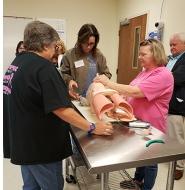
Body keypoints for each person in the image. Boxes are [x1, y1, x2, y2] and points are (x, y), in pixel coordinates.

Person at [3, 21, 113, 190]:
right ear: (45, 44)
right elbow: (62, 110)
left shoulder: (15, 65)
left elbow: (33, 96)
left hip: (24, 145)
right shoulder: (43, 68)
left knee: (31, 186)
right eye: (55, 46)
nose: (55, 51)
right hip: (41, 149)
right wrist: (92, 127)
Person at [94, 39, 174, 190]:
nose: (139, 57)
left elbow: (137, 92)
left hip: (152, 126)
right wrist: (118, 102)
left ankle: (146, 188)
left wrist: (108, 84)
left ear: (155, 54)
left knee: (150, 160)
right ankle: (137, 180)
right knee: (140, 154)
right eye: (139, 53)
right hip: (137, 121)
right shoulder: (144, 72)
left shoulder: (164, 75)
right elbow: (130, 91)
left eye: (143, 54)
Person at [60, 23, 112, 99]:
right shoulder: (69, 55)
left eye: (91, 44)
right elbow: (64, 73)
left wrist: (102, 78)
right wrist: (69, 80)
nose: (88, 47)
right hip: (76, 98)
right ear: (80, 41)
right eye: (85, 43)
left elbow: (107, 74)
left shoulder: (98, 55)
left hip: (94, 97)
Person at [166, 32, 185, 180]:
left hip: (178, 104)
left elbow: (177, 78)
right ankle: (170, 160)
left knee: (178, 136)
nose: (171, 47)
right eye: (170, 44)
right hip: (166, 102)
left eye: (174, 44)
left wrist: (160, 77)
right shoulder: (169, 59)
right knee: (170, 135)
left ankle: (179, 167)